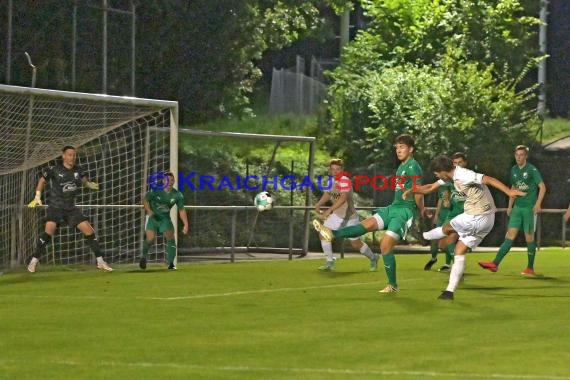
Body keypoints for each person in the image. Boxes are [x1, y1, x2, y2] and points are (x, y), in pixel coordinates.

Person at [313, 134, 428, 293]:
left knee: (385, 244)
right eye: (397, 147)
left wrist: (421, 210)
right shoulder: (401, 167)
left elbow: (418, 191)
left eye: (402, 147)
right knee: (366, 225)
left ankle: (393, 285)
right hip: (393, 207)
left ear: (411, 149)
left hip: (404, 211)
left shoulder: (413, 166)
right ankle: (332, 233)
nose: (398, 150)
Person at [403, 155, 525, 300]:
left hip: (477, 216)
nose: (436, 176)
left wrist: (509, 192)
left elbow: (488, 179)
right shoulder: (451, 176)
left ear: (442, 170)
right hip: (487, 220)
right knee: (459, 251)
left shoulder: (464, 175)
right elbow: (430, 187)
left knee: (448, 227)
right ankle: (449, 291)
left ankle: (424, 236)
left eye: (436, 173)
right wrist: (412, 190)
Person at [27, 146, 113, 272]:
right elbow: (42, 181)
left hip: (71, 208)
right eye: (69, 155)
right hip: (56, 207)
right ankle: (33, 261)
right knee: (48, 232)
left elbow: (83, 180)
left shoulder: (78, 170)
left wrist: (88, 184)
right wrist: (37, 196)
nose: (72, 157)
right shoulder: (54, 169)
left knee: (89, 231)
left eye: (74, 155)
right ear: (63, 156)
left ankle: (100, 261)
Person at [478, 145, 546, 275]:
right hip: (517, 209)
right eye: (517, 155)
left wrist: (538, 204)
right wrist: (510, 206)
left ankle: (530, 268)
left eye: (521, 155)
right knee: (509, 236)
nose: (519, 157)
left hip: (529, 209)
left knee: (529, 238)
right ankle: (495, 264)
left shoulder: (531, 169)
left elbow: (542, 187)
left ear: (526, 156)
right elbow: (513, 188)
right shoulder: (514, 169)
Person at [313, 159, 379, 271]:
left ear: (342, 170)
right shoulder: (331, 181)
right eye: (333, 169)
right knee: (323, 233)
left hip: (349, 218)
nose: (335, 172)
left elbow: (343, 198)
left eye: (338, 169)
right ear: (330, 170)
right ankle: (330, 262)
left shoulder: (345, 181)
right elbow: (328, 194)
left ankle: (373, 258)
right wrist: (318, 204)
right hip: (337, 216)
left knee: (355, 243)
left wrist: (329, 210)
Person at [424, 152, 468, 272]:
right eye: (455, 163)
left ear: (465, 163)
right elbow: (442, 195)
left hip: (464, 215)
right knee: (442, 243)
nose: (457, 165)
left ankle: (453, 266)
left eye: (460, 162)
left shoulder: (467, 177)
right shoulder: (448, 180)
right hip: (450, 214)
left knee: (449, 241)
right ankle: (454, 264)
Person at [140, 172, 189, 270]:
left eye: (171, 180)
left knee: (170, 237)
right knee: (150, 239)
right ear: (163, 181)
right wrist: (149, 211)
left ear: (174, 181)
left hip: (165, 219)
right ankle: (143, 257)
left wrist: (186, 224)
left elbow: (181, 210)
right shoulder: (155, 190)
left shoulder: (177, 195)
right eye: (167, 180)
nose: (169, 182)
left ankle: (171, 264)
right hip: (153, 218)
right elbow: (145, 200)